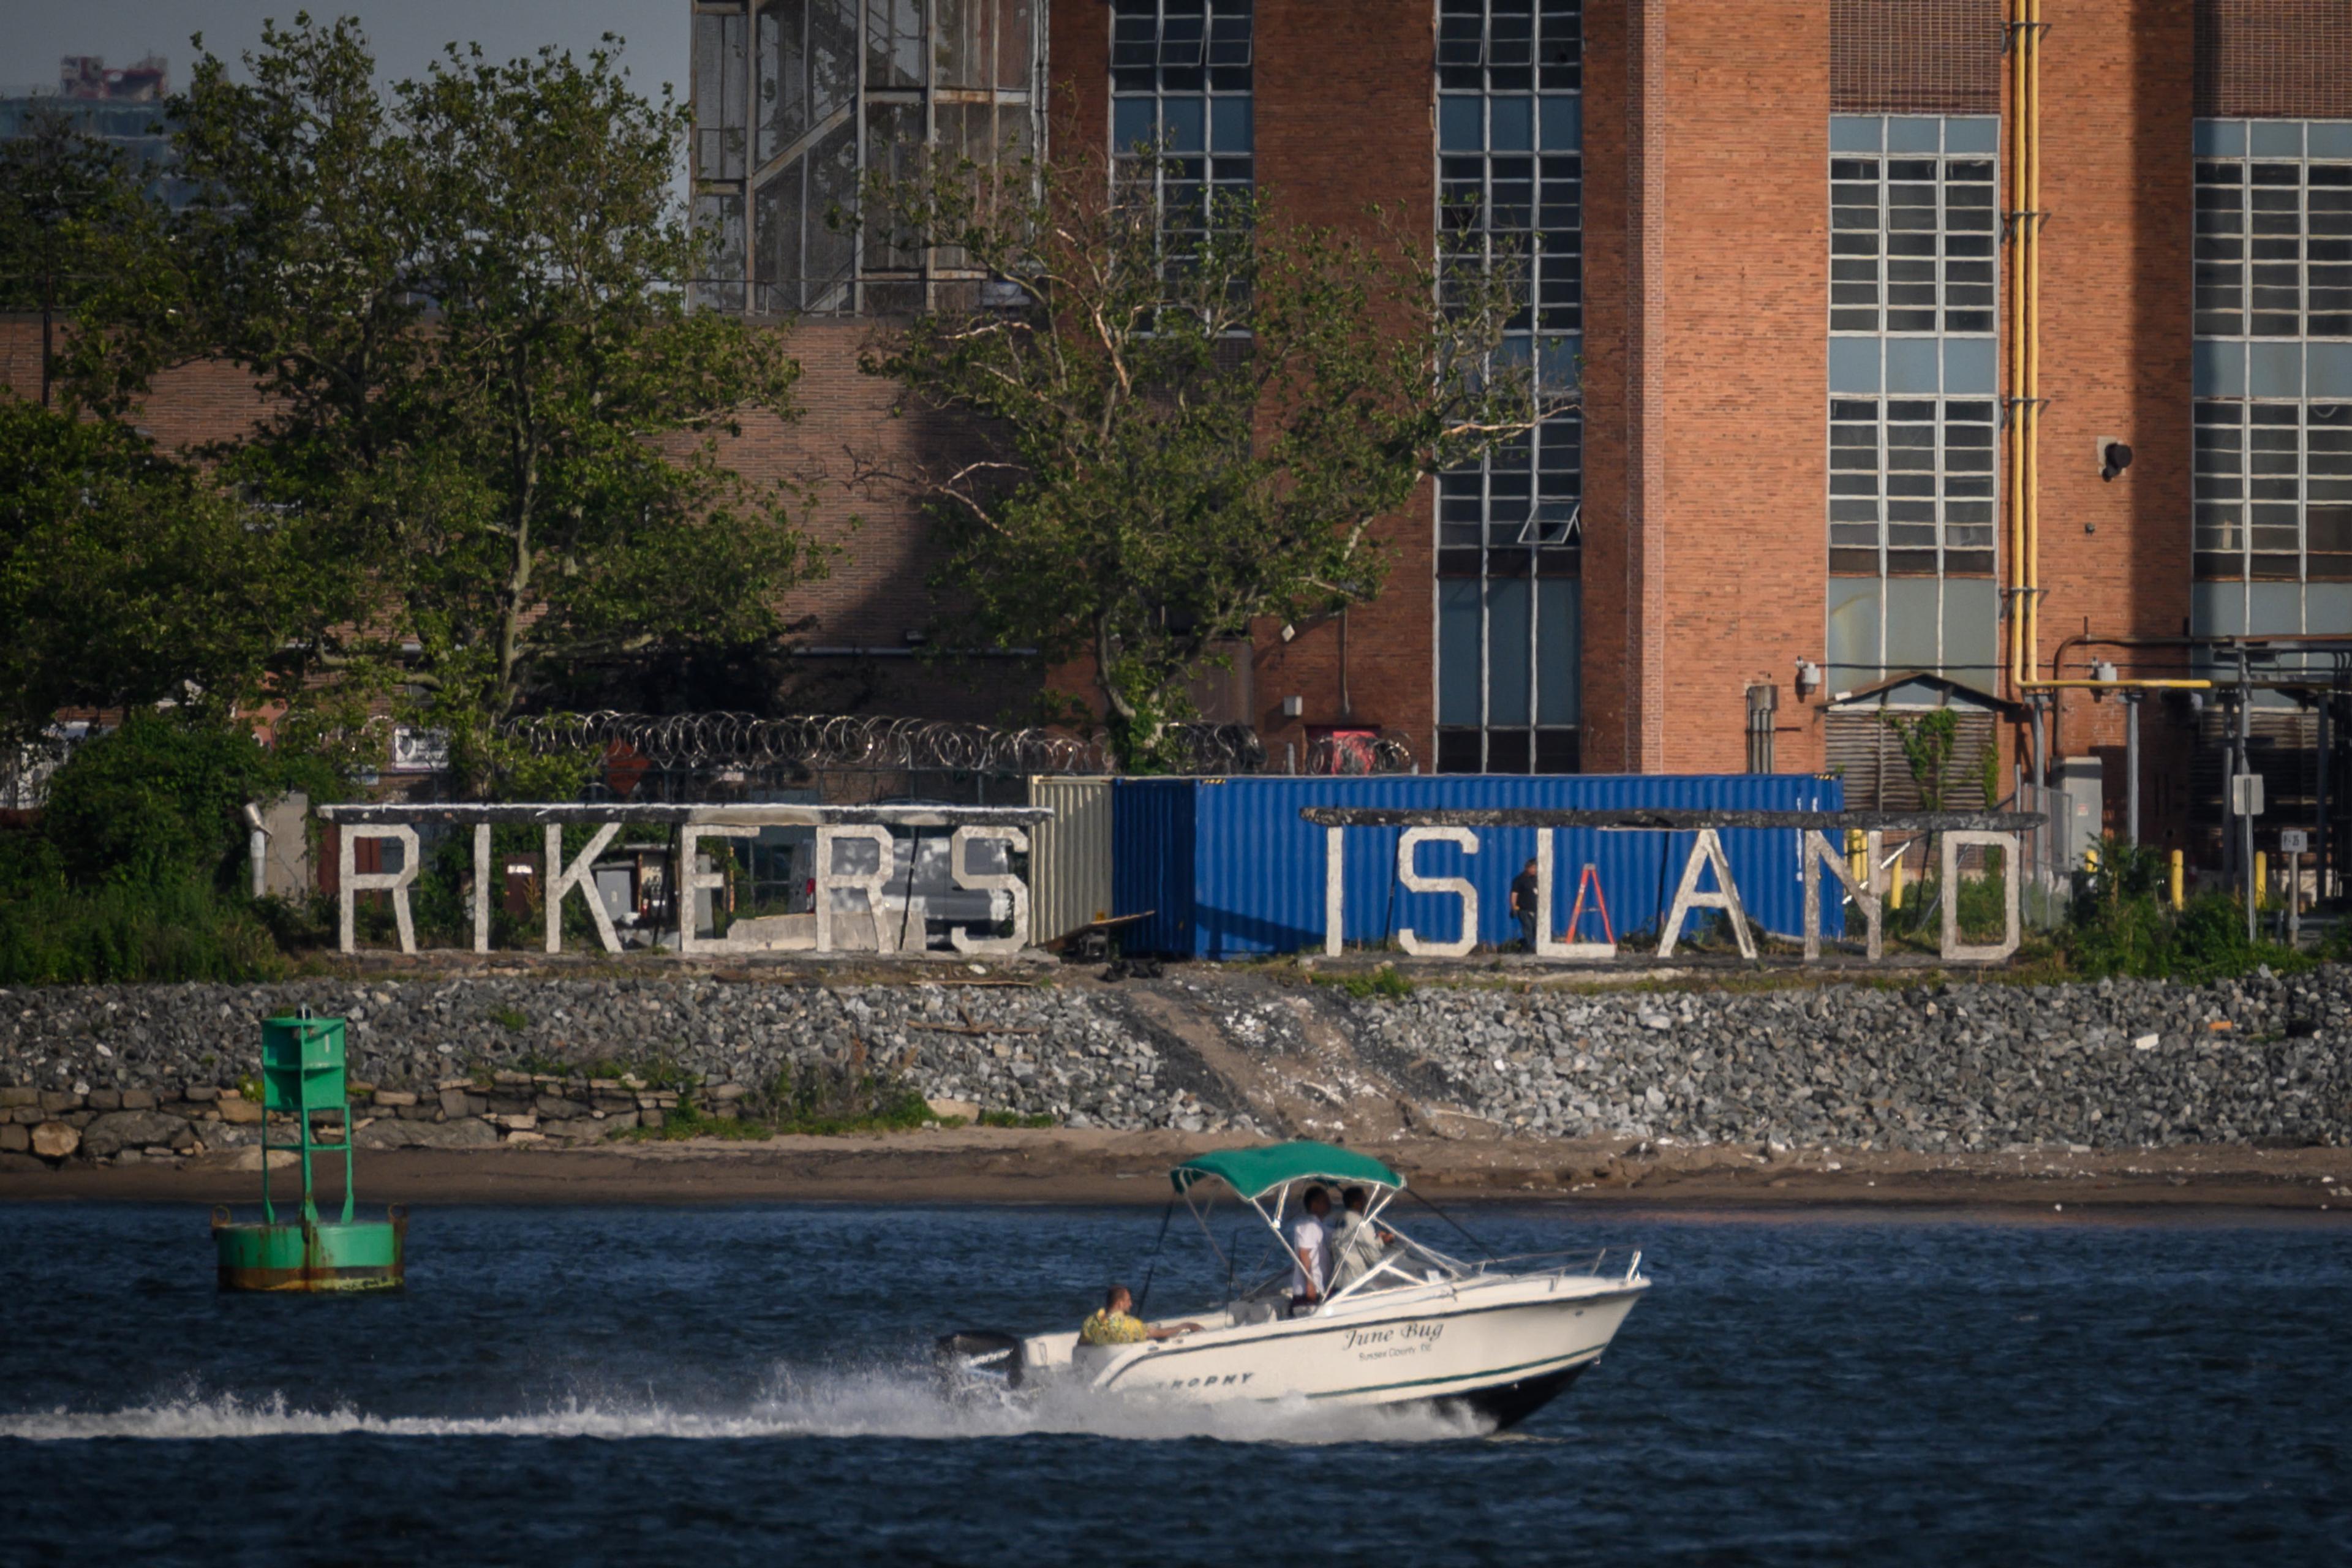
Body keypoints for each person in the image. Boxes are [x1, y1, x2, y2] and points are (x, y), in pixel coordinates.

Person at [1327, 1185, 1400, 1295]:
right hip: (1355, 1284)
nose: (1366, 1202)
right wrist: (1391, 1274)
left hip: (1339, 1282)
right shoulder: (1360, 1223)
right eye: (1364, 1199)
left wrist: (1381, 1240)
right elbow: (1372, 1254)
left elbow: (1358, 1245)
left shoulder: (1341, 1220)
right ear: (1357, 1203)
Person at [1079, 1284, 1200, 1346]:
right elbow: (1159, 1333)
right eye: (1128, 1301)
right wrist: (1184, 1326)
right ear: (1120, 1304)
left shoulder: (1090, 1323)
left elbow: (1082, 1345)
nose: (1131, 1304)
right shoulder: (1129, 1326)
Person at [1288, 1186, 1333, 1316]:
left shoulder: (1319, 1226)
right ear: (1314, 1204)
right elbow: (1304, 1253)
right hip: (1308, 1292)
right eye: (1325, 1201)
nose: (1329, 1204)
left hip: (1319, 1288)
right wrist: (1310, 1284)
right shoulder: (1310, 1226)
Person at [1510, 858, 1541, 952]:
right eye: (1532, 868)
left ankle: (1521, 945)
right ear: (1527, 868)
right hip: (1523, 910)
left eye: (1535, 868)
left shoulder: (1537, 879)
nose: (1534, 870)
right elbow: (1514, 894)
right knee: (1528, 928)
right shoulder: (1520, 880)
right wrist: (1514, 907)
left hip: (1535, 910)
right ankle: (1528, 950)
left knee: (1536, 931)